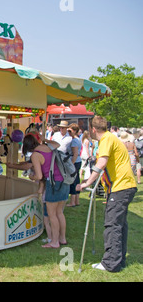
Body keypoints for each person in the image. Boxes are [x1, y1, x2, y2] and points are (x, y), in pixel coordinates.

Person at [76, 116, 137, 272]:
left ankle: (110, 263)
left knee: (112, 225)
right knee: (120, 225)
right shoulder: (111, 138)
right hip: (124, 186)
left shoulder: (106, 140)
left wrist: (87, 182)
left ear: (93, 129)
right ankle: (119, 260)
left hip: (120, 187)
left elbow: (101, 162)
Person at [23, 134, 68, 249]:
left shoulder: (35, 155)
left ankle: (54, 241)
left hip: (52, 184)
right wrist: (45, 140)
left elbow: (39, 176)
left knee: (52, 215)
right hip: (64, 181)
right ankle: (62, 238)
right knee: (59, 213)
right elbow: (58, 144)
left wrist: (31, 177)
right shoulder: (49, 147)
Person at [67, 123, 82, 207]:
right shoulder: (78, 139)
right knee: (77, 180)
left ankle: (72, 201)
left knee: (73, 181)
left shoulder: (74, 141)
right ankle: (76, 200)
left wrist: (71, 164)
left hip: (74, 161)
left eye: (70, 131)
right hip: (77, 161)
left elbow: (75, 154)